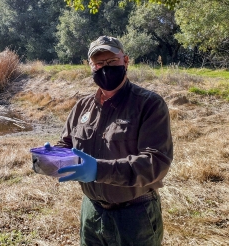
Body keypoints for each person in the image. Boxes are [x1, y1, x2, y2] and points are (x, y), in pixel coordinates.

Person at [48, 36, 173, 245]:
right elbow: (67, 144)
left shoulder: (149, 104)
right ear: (90, 66)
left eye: (112, 61)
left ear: (125, 60)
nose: (105, 68)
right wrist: (52, 156)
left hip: (135, 215)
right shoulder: (82, 106)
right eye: (99, 63)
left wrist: (98, 170)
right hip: (91, 211)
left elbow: (156, 163)